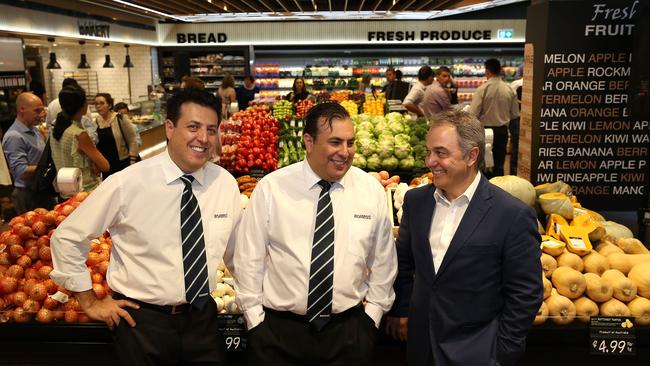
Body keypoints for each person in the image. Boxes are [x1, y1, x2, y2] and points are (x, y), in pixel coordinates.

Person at [49, 89, 241, 366]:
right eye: (193, 127)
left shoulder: (224, 184)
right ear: (170, 128)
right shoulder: (127, 183)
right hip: (142, 323)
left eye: (212, 130)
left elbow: (237, 254)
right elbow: (67, 237)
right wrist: (89, 302)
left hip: (203, 320)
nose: (203, 138)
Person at [235, 102, 397, 366]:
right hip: (278, 336)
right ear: (308, 142)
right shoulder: (272, 188)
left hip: (348, 334)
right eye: (335, 142)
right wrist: (254, 320)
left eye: (351, 143)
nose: (345, 152)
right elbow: (248, 257)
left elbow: (383, 262)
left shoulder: (370, 190)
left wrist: (372, 317)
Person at [386, 110, 542, 366]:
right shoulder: (416, 202)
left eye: (441, 153)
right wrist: (401, 309)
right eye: (428, 152)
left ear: (472, 156)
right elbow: (404, 263)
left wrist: (503, 353)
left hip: (477, 351)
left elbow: (525, 292)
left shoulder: (512, 214)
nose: (430, 161)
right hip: (420, 347)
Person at [2, 92, 55, 213]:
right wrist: (50, 166)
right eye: (37, 111)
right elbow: (21, 171)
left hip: (40, 190)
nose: (42, 114)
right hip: (28, 195)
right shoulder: (14, 136)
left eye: (42, 110)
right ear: (22, 109)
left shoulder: (34, 130)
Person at [50, 86, 109, 193]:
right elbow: (105, 166)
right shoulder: (79, 134)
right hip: (85, 191)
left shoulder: (54, 129)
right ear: (83, 106)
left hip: (65, 190)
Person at [469, 59, 519, 178]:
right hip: (502, 131)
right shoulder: (509, 89)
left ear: (487, 71)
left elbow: (473, 113)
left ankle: (484, 191)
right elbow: (515, 114)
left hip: (485, 132)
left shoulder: (482, 89)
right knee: (499, 164)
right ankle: (499, 190)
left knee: (484, 164)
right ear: (500, 70)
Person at [93, 93, 139, 178]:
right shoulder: (96, 122)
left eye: (102, 103)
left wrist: (132, 161)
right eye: (96, 104)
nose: (98, 106)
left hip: (123, 163)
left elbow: (132, 140)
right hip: (106, 166)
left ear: (110, 105)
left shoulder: (120, 118)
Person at [46, 78, 98, 144]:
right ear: (82, 105)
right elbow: (93, 141)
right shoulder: (79, 133)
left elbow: (48, 126)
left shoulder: (54, 126)